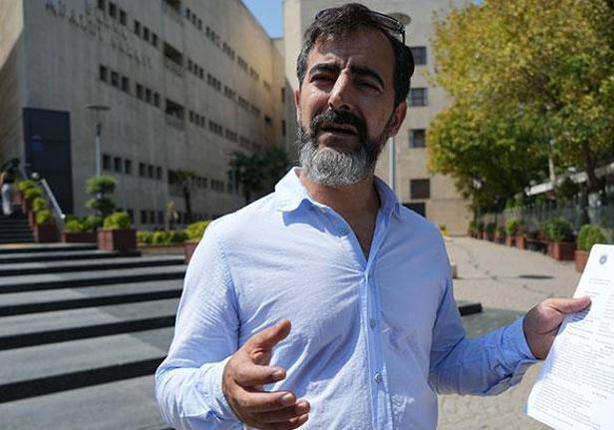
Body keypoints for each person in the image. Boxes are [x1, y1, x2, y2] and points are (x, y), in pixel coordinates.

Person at [155, 4, 590, 429]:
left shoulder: (422, 241)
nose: (339, 97)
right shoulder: (231, 242)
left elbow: (441, 362)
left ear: (396, 118)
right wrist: (224, 389)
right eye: (323, 77)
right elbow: (174, 384)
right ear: (298, 100)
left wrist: (523, 339)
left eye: (365, 82)